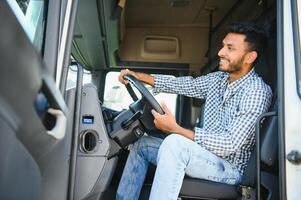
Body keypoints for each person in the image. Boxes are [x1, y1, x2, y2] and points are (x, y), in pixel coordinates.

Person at [116, 22, 273, 200]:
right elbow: (184, 84)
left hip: (230, 169)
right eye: (223, 46)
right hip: (206, 155)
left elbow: (230, 143)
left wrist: (175, 129)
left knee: (175, 143)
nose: (221, 52)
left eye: (230, 48)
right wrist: (139, 77)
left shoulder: (257, 91)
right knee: (142, 145)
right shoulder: (218, 80)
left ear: (249, 57)